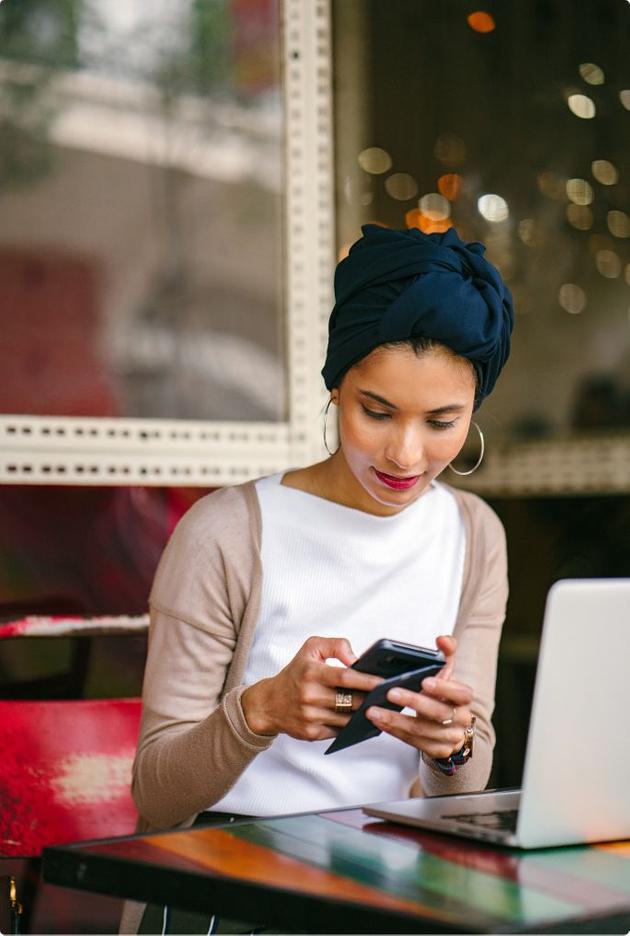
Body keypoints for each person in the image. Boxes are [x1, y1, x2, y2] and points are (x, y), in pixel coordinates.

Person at [122, 224, 513, 934]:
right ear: (336, 386)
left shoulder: (474, 534)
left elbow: (467, 777)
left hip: (394, 883)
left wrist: (451, 742)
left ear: (474, 413)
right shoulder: (227, 532)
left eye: (442, 421)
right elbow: (154, 791)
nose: (405, 452)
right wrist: (259, 712)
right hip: (226, 880)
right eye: (377, 411)